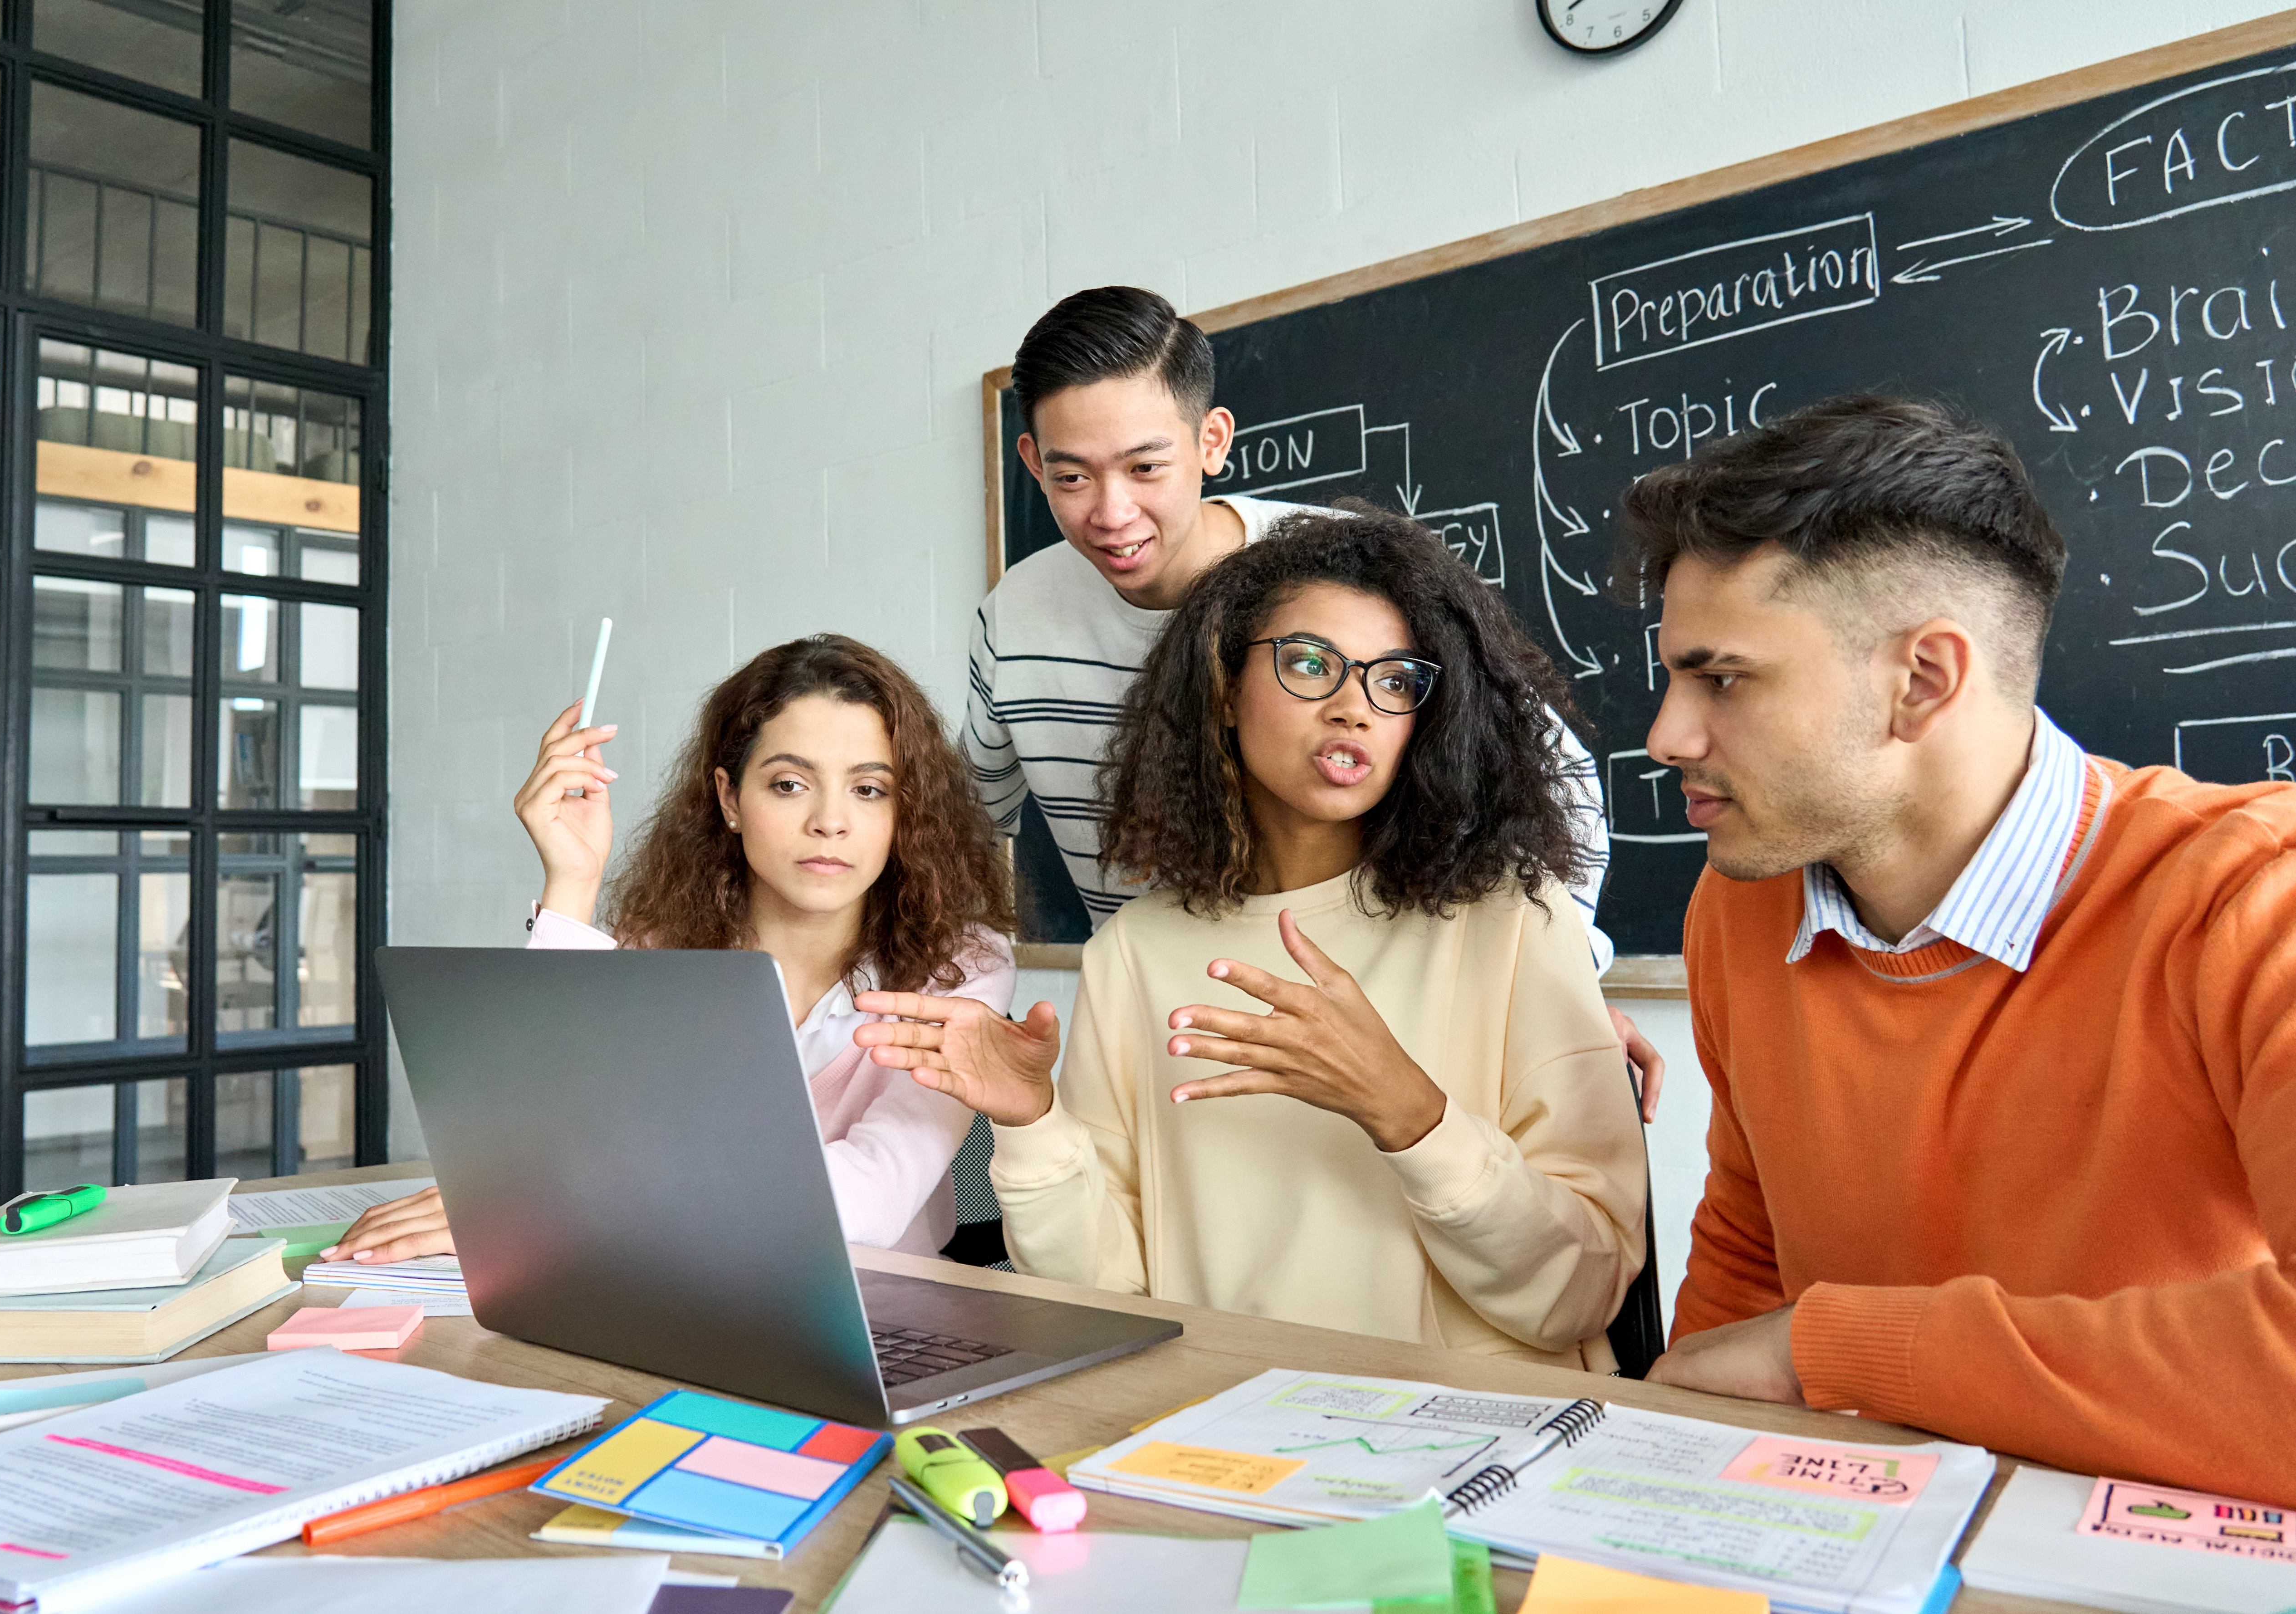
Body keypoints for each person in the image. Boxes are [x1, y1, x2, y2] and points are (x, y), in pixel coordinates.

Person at [1627, 396, 2296, 1502]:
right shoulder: (1740, 906)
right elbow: (1749, 1252)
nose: (1665, 736)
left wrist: (1836, 1350)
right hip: (1853, 1540)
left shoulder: (2250, 899)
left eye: (1722, 678)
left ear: (1922, 680)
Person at [860, 510, 1650, 1366]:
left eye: (1394, 681)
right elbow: (1104, 1294)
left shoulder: (1515, 921)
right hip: (1217, 1435)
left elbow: (1582, 1293)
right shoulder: (1135, 952)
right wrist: (1030, 1120)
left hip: (1466, 1448)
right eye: (1310, 663)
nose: (1354, 706)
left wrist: (1408, 1111)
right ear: (1226, 691)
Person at [970, 286, 1666, 1116]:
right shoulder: (1014, 620)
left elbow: (1560, 779)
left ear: (1212, 440)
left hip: (1379, 1033)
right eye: (1071, 476)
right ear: (1031, 461)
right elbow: (969, 827)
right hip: (1161, 1034)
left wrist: (1556, 986)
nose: (1112, 513)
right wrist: (974, 994)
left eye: (1146, 467)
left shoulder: (1341, 582)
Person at [329, 634, 1018, 1262]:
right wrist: (573, 880)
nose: (831, 822)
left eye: (870, 790)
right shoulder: (661, 945)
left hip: (883, 1315)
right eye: (788, 784)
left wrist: (553, 1200)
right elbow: (538, 1129)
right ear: (729, 798)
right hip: (665, 1276)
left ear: (906, 811)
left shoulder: (964, 966)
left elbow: (872, 1200)